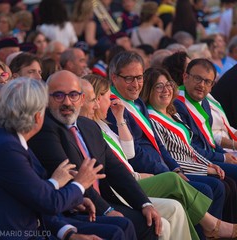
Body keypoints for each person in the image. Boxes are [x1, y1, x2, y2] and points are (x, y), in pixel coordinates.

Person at [81, 73, 237, 240]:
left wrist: (120, 119)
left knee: (178, 206)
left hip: (133, 177)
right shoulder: (90, 129)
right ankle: (211, 225)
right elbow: (108, 171)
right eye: (106, 96)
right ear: (96, 100)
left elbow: (129, 152)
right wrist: (138, 175)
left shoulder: (105, 125)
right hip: (125, 185)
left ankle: (210, 228)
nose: (109, 99)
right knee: (175, 180)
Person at [0, 77, 137, 240]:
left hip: (37, 227)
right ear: (37, 116)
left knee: (120, 228)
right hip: (20, 234)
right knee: (116, 232)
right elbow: (47, 202)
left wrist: (68, 232)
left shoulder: (11, 140)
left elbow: (35, 194)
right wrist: (80, 184)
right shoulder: (8, 148)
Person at [28, 70, 161, 240]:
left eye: (73, 95)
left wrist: (144, 203)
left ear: (82, 99)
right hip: (76, 208)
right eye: (59, 96)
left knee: (149, 221)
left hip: (102, 199)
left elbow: (116, 169)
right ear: (46, 99)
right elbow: (72, 176)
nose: (67, 102)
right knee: (123, 225)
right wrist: (107, 211)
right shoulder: (46, 128)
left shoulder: (89, 125)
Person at [107, 51, 225, 222]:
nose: (136, 84)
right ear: (114, 77)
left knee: (216, 186)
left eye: (139, 77)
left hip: (164, 169)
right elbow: (135, 152)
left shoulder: (138, 102)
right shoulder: (114, 107)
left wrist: (175, 169)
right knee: (207, 189)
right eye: (129, 78)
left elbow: (158, 143)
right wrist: (167, 172)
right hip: (145, 173)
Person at [141, 67, 237, 223]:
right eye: (159, 86)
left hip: (197, 162)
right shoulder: (152, 119)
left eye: (168, 85)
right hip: (182, 169)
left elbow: (189, 148)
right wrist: (205, 168)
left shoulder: (173, 113)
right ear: (149, 90)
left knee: (227, 183)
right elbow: (171, 157)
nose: (165, 90)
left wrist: (211, 164)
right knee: (217, 186)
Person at [174, 58, 237, 186]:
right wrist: (223, 157)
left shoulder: (205, 102)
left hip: (210, 155)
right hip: (194, 161)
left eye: (207, 81)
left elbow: (209, 140)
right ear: (185, 77)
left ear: (212, 85)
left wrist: (224, 154)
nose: (202, 85)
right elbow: (190, 147)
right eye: (198, 78)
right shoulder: (177, 104)